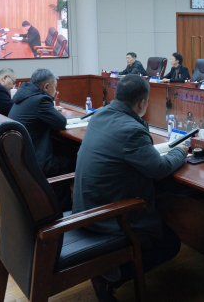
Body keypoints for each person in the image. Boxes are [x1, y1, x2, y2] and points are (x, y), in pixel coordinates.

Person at [72, 75, 188, 301]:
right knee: (171, 244)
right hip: (108, 218)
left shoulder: (99, 115)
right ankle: (111, 276)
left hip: (85, 208)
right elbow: (159, 168)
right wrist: (180, 151)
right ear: (142, 103)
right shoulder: (131, 130)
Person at [8, 69, 74, 181]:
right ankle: (61, 192)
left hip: (20, 159)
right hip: (36, 163)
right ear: (46, 87)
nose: (55, 91)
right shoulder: (40, 100)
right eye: (55, 87)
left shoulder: (23, 96)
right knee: (76, 158)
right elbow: (61, 122)